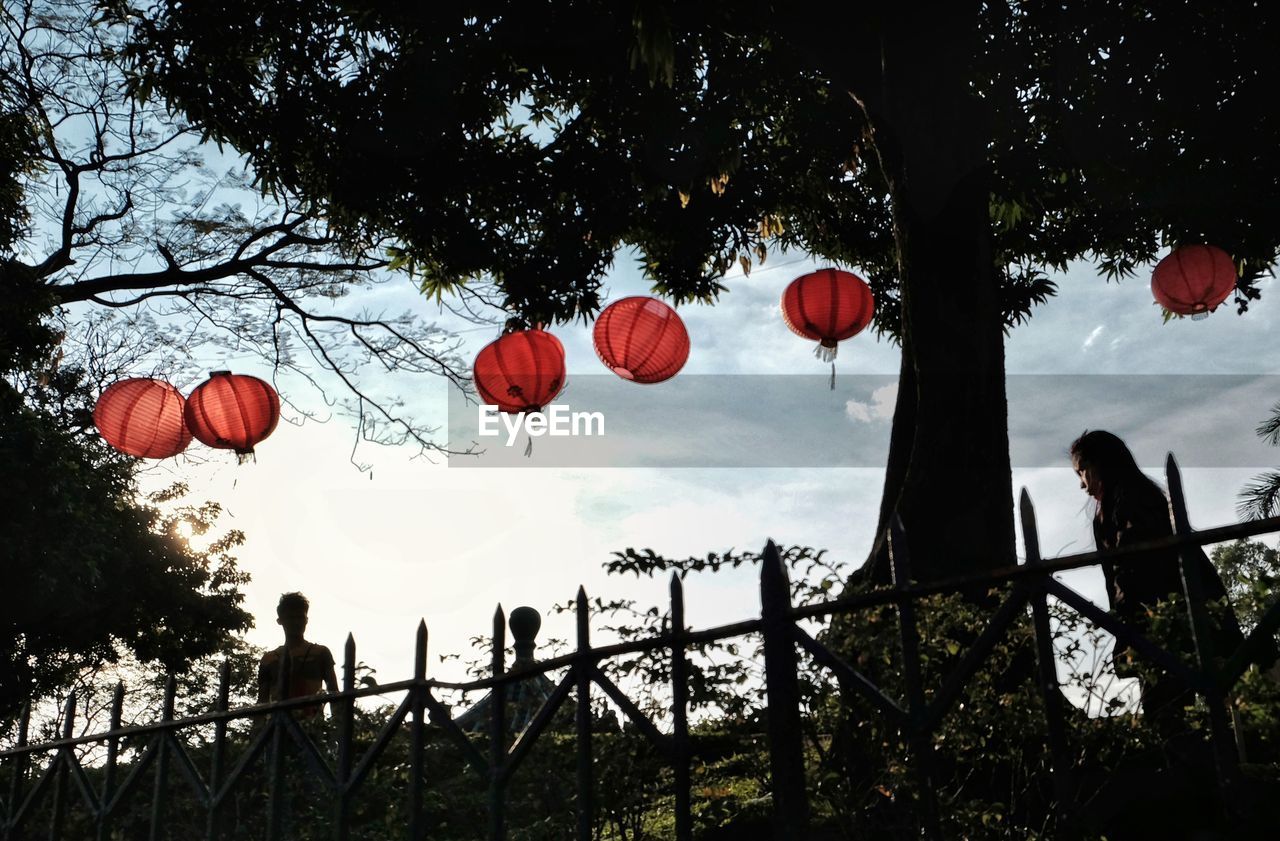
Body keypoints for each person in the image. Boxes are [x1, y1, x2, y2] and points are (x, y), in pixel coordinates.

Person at [1069, 430, 1248, 739]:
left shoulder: (1134, 500)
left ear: (1099, 464)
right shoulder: (1114, 508)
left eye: (1081, 471)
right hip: (1158, 621)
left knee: (1171, 710)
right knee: (1170, 708)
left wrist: (1130, 621)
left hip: (1169, 619)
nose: (1081, 484)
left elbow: (1136, 568)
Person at [257, 592, 339, 717]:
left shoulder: (320, 653)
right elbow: (261, 705)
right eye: (291, 617)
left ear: (306, 620)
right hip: (277, 729)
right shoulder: (269, 660)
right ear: (280, 621)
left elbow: (334, 696)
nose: (296, 622)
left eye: (300, 617)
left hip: (311, 728)